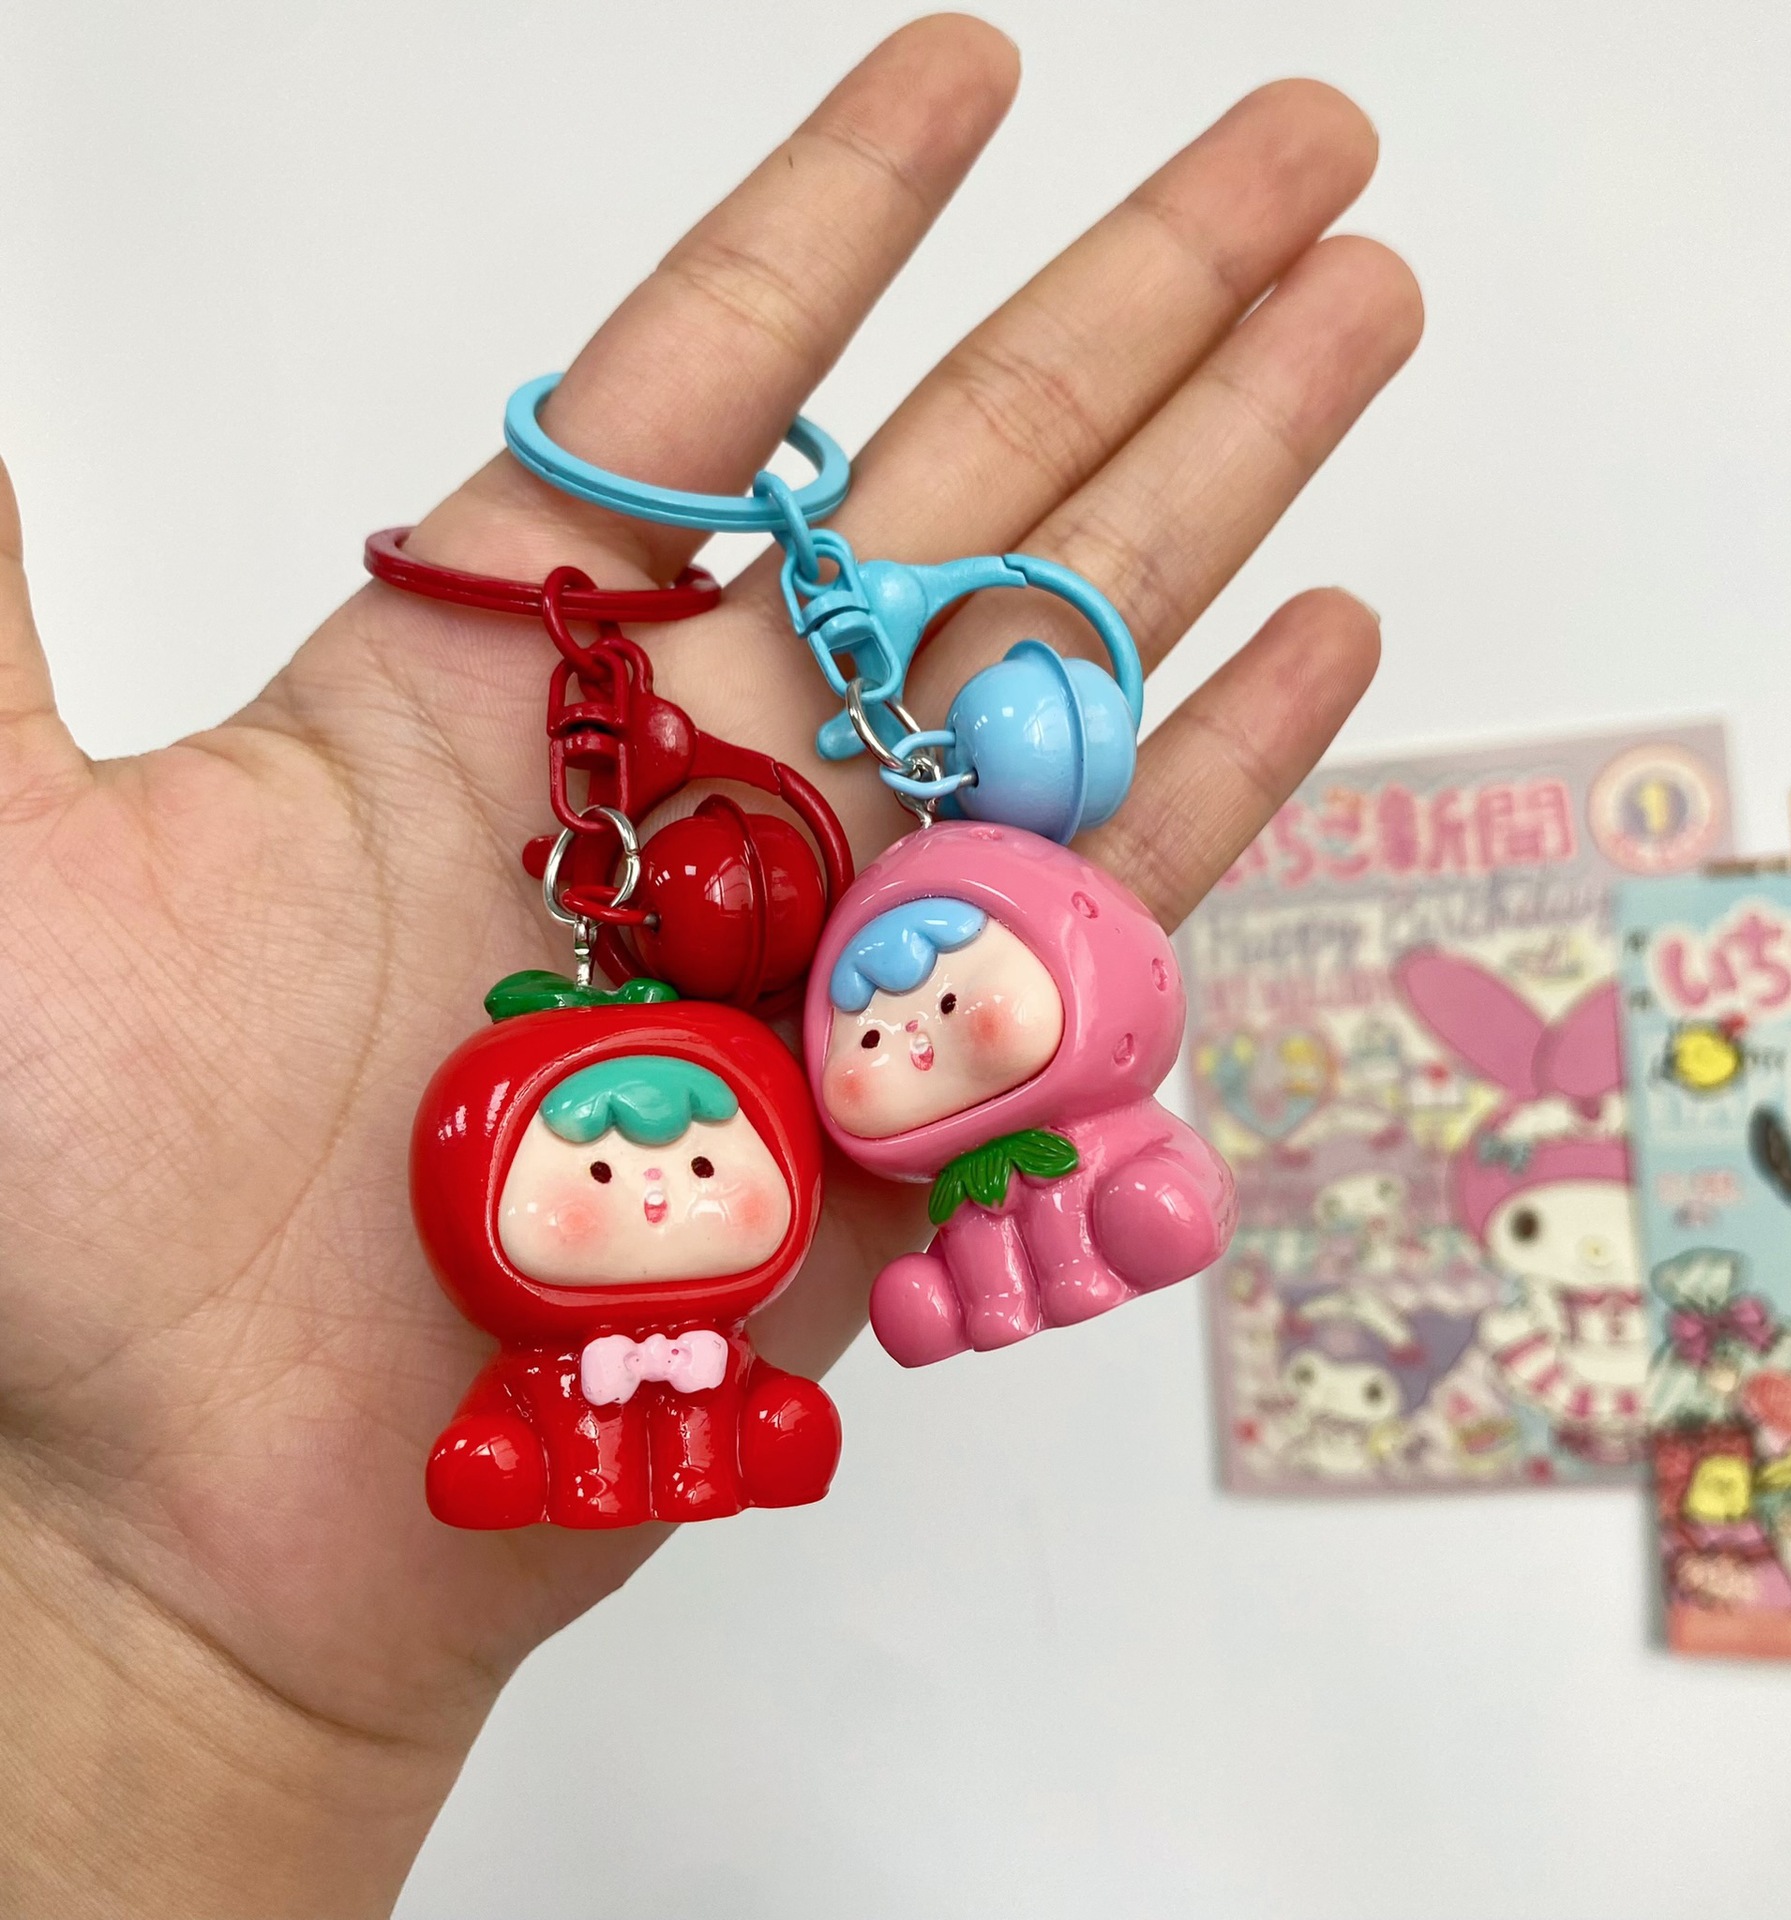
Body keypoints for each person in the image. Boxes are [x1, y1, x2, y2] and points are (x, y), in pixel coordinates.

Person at [0, 16, 1420, 1915]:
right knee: (601, 1419)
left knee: (846, 1343)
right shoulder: (655, 1100)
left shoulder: (911, 1008)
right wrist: (131, 1623)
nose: (659, 1195)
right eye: (615, 1176)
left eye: (683, 1160)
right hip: (557, 1367)